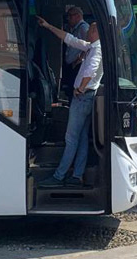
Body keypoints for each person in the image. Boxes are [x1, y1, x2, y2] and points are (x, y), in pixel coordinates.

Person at [36, 16, 102, 187]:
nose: (86, 31)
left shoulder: (96, 50)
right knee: (80, 139)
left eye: (89, 29)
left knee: (71, 138)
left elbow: (91, 70)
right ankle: (77, 176)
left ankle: (59, 177)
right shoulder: (91, 46)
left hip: (82, 97)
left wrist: (80, 88)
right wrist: (49, 25)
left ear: (95, 32)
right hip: (88, 98)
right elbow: (70, 39)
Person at [61, 7, 89, 100]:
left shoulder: (83, 28)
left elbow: (88, 46)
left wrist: (79, 59)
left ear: (78, 16)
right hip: (71, 65)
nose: (68, 19)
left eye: (70, 16)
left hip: (77, 66)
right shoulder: (74, 29)